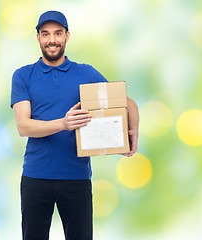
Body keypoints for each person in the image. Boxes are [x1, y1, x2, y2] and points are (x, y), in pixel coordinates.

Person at [10, 10, 139, 240]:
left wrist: (132, 135)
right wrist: (63, 123)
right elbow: (24, 126)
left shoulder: (85, 73)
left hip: (76, 177)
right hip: (36, 177)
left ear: (67, 36)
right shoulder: (23, 76)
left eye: (58, 33)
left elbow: (126, 103)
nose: (52, 40)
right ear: (38, 37)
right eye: (46, 34)